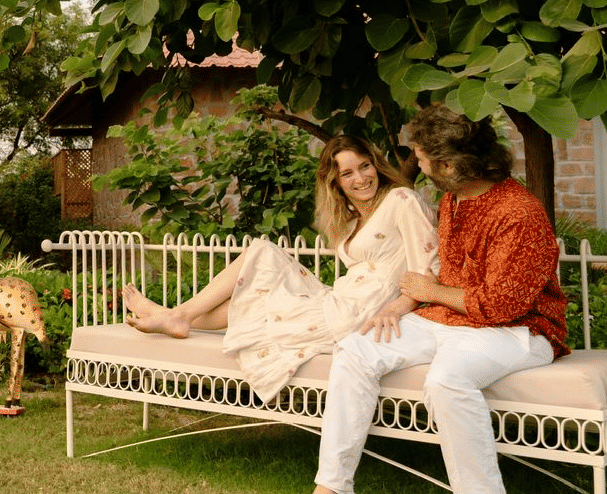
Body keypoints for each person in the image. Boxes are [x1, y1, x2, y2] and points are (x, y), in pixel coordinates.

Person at [296, 106, 569, 494]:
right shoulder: (453, 201)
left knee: (447, 379)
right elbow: (442, 278)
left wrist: (429, 291)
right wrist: (409, 304)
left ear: (448, 165)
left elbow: (502, 306)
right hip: (454, 320)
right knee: (356, 350)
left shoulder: (519, 214)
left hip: (522, 330)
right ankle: (332, 485)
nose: (415, 165)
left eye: (422, 158)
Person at [122, 135, 439, 404]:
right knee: (257, 276)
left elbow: (428, 271)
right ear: (335, 182)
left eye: (364, 166)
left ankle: (177, 315)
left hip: (359, 313)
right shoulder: (354, 219)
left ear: (376, 164)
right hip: (340, 300)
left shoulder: (401, 200)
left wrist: (396, 309)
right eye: (347, 174)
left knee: (261, 262)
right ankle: (177, 316)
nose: (360, 178)